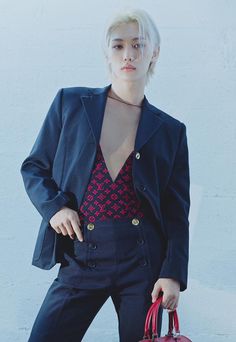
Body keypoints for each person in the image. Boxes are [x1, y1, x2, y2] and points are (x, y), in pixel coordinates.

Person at [20, 7, 190, 342]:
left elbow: (176, 212)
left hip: (142, 264)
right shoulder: (70, 104)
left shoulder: (171, 130)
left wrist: (172, 273)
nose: (128, 53)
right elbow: (34, 167)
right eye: (118, 45)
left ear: (154, 53)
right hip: (81, 256)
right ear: (107, 53)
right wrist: (54, 207)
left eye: (138, 45)